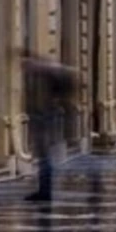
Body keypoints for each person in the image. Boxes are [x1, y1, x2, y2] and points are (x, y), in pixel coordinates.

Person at [22, 53, 75, 203]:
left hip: (46, 118)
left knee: (44, 157)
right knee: (44, 156)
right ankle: (44, 190)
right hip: (46, 117)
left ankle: (45, 192)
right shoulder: (52, 72)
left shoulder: (48, 73)